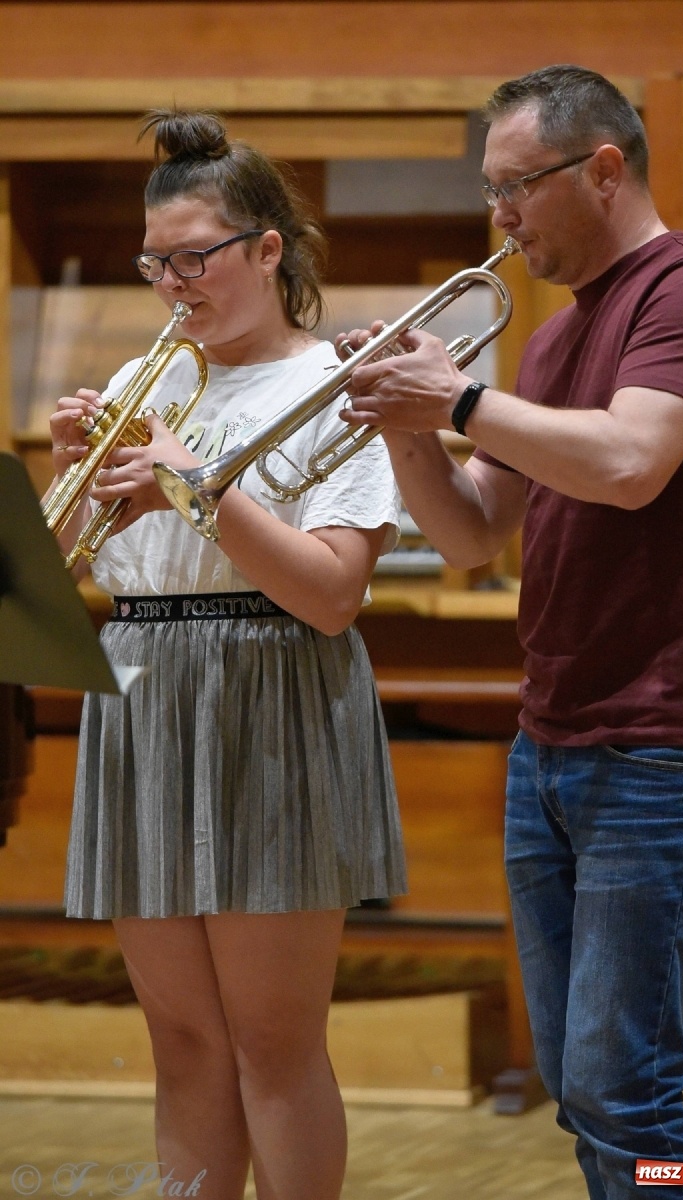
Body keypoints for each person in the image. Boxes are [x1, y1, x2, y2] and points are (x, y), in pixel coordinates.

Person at [335, 66, 683, 1200]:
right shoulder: (550, 341)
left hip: (664, 741)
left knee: (620, 1082)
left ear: (603, 170)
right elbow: (476, 532)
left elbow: (631, 465)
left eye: (515, 188)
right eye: (490, 191)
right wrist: (404, 429)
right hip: (553, 742)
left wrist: (462, 404)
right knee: (586, 1087)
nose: (499, 218)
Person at [46, 109, 406, 1200]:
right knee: (185, 1044)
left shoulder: (338, 388)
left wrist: (195, 491)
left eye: (195, 257)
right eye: (156, 261)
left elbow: (333, 594)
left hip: (271, 686)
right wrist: (74, 471)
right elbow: (66, 563)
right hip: (143, 689)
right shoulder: (136, 389)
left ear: (266, 251)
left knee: (271, 1045)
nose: (173, 284)